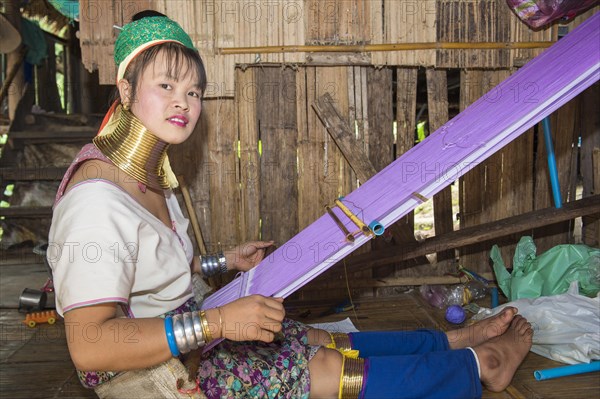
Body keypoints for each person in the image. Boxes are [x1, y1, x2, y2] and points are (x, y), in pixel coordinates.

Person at [47, 11, 533, 399]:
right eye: (167, 86)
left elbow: (152, 268)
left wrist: (224, 261)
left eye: (193, 91)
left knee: (307, 337)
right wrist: (216, 322)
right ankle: (482, 366)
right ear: (126, 92)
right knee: (315, 365)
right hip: (144, 369)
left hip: (181, 326)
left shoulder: (150, 177)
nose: (184, 103)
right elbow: (90, 346)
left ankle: (454, 342)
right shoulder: (96, 203)